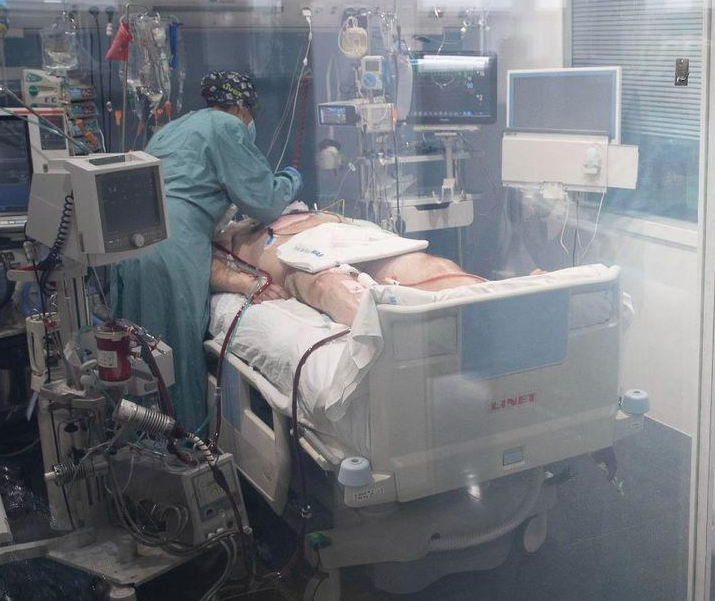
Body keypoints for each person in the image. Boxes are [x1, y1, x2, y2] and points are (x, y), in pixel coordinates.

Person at [112, 71, 302, 429]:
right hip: (173, 247)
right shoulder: (227, 127)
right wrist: (290, 180)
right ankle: (181, 450)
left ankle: (134, 446)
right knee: (172, 357)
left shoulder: (171, 130)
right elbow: (264, 202)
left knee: (135, 354)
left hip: (133, 242)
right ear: (243, 110)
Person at [210, 210, 486, 325]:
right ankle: (401, 332)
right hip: (296, 258)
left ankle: (507, 298)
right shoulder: (231, 232)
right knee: (327, 285)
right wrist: (246, 284)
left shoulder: (305, 208)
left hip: (351, 240)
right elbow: (208, 267)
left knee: (434, 266)